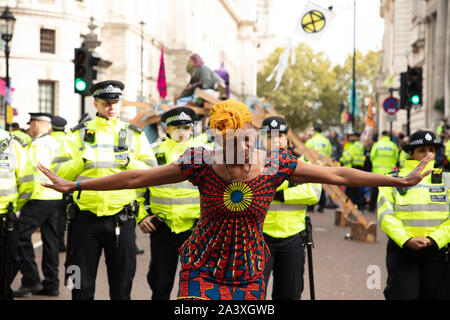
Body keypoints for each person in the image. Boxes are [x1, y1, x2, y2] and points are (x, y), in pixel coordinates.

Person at [37, 99, 433, 300]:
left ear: (251, 133)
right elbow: (138, 176)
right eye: (225, 141)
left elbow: (337, 174)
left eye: (242, 140)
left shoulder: (278, 164)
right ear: (216, 138)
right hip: (200, 265)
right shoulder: (200, 161)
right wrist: (77, 187)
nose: (236, 150)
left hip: (248, 269)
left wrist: (396, 181)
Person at [49, 80, 156, 300]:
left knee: (122, 285)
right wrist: (80, 161)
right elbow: (58, 173)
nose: (111, 107)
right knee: (78, 283)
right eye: (106, 103)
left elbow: (151, 172)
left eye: (115, 102)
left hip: (122, 219)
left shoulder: (134, 134)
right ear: (95, 103)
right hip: (84, 220)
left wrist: (129, 162)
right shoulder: (77, 134)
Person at [138, 107, 203, 300]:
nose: (182, 132)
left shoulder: (204, 154)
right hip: (162, 228)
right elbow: (136, 190)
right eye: (176, 127)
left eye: (186, 127)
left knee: (195, 285)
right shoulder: (151, 154)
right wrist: (141, 216)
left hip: (196, 229)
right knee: (160, 284)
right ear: (166, 129)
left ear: (191, 128)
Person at [377, 130, 450, 300]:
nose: (428, 155)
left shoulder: (447, 180)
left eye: (431, 150)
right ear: (410, 153)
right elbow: (385, 215)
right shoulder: (393, 179)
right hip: (403, 249)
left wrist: (434, 239)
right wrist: (406, 240)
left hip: (436, 250)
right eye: (422, 150)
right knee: (403, 295)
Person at [261, 116, 321, 300]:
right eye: (270, 136)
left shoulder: (300, 162)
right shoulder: (254, 162)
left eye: (280, 135)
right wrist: (292, 186)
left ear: (287, 138)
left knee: (289, 293)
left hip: (292, 238)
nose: (276, 140)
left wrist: (281, 195)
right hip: (260, 237)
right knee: (252, 294)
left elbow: (313, 193)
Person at [13, 113, 62, 298]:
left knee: (20, 236)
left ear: (36, 124)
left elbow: (29, 172)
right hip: (55, 196)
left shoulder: (37, 144)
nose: (29, 128)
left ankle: (31, 281)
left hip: (39, 195)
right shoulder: (55, 143)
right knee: (50, 241)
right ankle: (52, 283)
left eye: (31, 125)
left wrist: (22, 198)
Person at [0, 128, 34, 300]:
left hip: (7, 219)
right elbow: (28, 185)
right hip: (6, 217)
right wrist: (14, 207)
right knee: (7, 266)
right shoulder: (14, 144)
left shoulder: (12, 143)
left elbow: (28, 184)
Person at [49, 116, 68, 252]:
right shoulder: (69, 139)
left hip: (50, 184)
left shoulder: (46, 140)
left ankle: (54, 243)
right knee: (62, 215)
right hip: (67, 183)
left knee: (52, 218)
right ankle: (61, 242)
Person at [368, 131, 398, 212]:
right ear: (388, 135)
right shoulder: (393, 145)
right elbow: (396, 158)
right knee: (387, 192)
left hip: (377, 171)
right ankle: (387, 208)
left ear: (382, 135)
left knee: (375, 191)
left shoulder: (377, 145)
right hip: (389, 172)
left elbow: (371, 157)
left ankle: (371, 208)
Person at [305, 126, 331, 212]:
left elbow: (305, 153)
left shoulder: (311, 141)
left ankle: (311, 207)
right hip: (324, 166)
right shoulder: (327, 141)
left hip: (313, 166)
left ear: (315, 131)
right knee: (323, 186)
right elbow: (329, 154)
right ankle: (321, 206)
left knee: (312, 185)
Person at [340, 132, 367, 211]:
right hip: (357, 167)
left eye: (352, 136)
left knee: (351, 189)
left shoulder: (354, 145)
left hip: (353, 167)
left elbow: (348, 156)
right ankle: (358, 205)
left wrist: (340, 160)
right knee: (356, 187)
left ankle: (350, 205)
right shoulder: (358, 145)